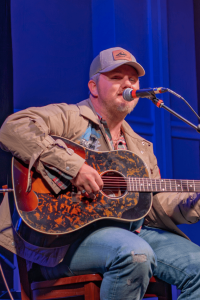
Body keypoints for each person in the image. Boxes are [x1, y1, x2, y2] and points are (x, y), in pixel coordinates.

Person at [0, 47, 200, 300]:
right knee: (134, 254)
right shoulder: (71, 117)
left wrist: (195, 203)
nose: (127, 84)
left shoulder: (140, 146)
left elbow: (157, 204)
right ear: (94, 87)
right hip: (64, 240)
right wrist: (73, 168)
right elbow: (14, 127)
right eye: (116, 77)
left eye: (133, 79)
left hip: (131, 232)